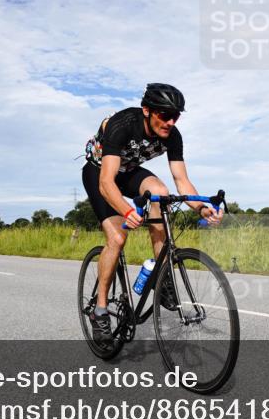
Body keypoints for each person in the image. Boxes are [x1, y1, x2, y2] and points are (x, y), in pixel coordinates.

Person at [82, 83, 222, 344]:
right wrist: (127, 211)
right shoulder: (122, 124)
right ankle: (99, 311)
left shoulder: (173, 135)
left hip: (129, 171)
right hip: (100, 172)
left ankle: (162, 274)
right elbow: (106, 183)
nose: (170, 122)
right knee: (117, 238)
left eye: (175, 116)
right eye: (165, 115)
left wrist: (202, 208)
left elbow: (182, 181)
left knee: (161, 192)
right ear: (147, 110)